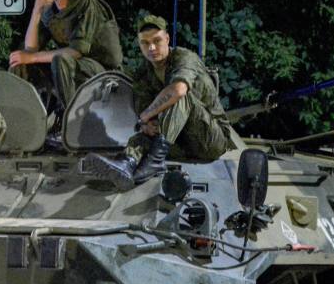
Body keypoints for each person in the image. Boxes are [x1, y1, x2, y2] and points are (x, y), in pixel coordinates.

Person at [86, 14, 235, 190]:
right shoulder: (143, 73)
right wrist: (147, 125)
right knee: (144, 135)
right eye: (145, 43)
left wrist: (146, 116)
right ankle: (127, 163)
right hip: (178, 141)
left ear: (167, 38)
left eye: (157, 40)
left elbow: (178, 90)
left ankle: (155, 159)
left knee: (180, 95)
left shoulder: (184, 58)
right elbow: (143, 111)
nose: (152, 47)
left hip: (210, 140)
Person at [9, 0, 122, 119]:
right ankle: (26, 121)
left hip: (103, 71)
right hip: (70, 67)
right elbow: (31, 49)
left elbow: (76, 52)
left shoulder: (87, 4)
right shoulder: (51, 11)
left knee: (60, 59)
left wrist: (32, 57)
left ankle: (71, 120)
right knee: (19, 62)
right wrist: (37, 10)